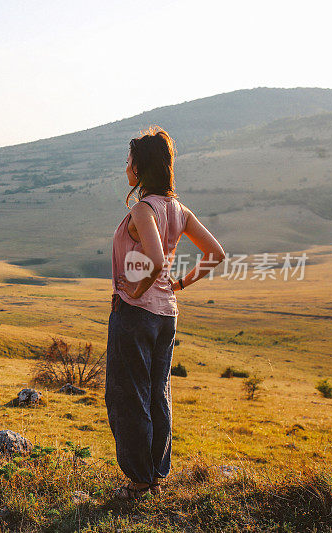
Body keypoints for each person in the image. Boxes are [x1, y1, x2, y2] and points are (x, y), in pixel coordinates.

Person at [106, 126, 225, 500]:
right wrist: (180, 285)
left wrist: (134, 291)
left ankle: (139, 482)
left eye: (129, 162)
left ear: (139, 169)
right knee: (159, 394)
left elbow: (155, 260)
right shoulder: (178, 209)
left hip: (136, 313)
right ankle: (156, 476)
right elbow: (216, 254)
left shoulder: (144, 209)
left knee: (129, 395)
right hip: (166, 315)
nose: (126, 167)